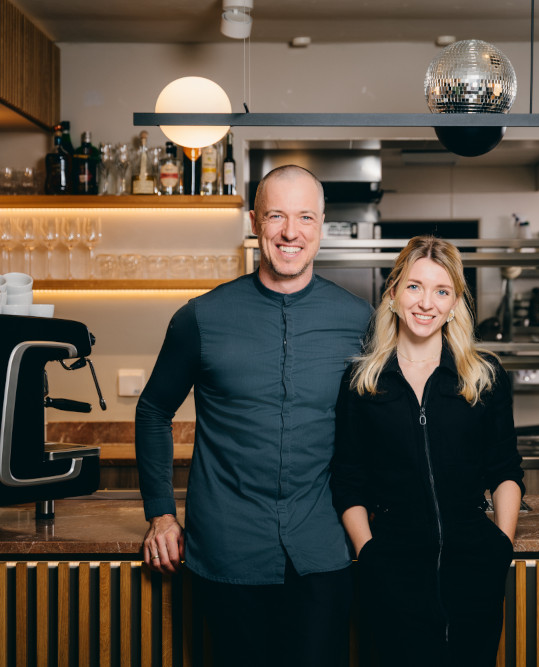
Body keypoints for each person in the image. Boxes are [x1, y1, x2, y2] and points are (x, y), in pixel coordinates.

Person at [135, 165, 373, 667]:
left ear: (322, 225)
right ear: (254, 221)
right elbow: (154, 408)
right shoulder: (200, 317)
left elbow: (383, 426)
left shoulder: (359, 321)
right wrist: (160, 512)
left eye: (305, 216)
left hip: (325, 551)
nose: (291, 232)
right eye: (277, 216)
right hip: (226, 550)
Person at [331, 235, 525, 667]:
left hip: (475, 573)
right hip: (392, 575)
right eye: (415, 286)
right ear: (394, 292)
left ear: (455, 303)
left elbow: (505, 470)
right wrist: (371, 554)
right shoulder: (363, 382)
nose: (426, 303)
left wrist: (501, 546)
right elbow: (348, 481)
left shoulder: (484, 376)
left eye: (442, 291)